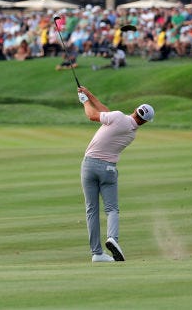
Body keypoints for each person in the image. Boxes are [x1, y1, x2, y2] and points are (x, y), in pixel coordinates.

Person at [77, 85, 155, 263]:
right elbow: (107, 113)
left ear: (135, 110)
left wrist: (85, 101)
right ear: (144, 122)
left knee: (92, 210)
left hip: (89, 165)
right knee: (111, 209)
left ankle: (97, 253)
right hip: (109, 169)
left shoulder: (118, 117)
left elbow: (92, 115)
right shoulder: (131, 133)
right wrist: (90, 94)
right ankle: (113, 238)